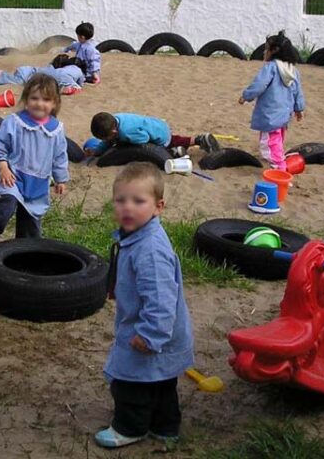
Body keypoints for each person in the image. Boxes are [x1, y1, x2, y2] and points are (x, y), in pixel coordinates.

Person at [95, 162, 194, 449]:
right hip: (162, 332)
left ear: (158, 206)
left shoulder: (149, 249)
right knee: (161, 381)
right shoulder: (136, 237)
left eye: (139, 201)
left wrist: (151, 335)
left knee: (129, 380)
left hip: (151, 331)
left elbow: (162, 299)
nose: (128, 208)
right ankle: (165, 427)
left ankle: (130, 427)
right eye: (121, 200)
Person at [0, 74, 70, 243]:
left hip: (38, 180)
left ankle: (26, 248)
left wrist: (60, 179)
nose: (39, 103)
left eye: (46, 99)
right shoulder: (15, 122)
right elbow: (0, 145)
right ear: (26, 99)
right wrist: (3, 167)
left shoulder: (56, 130)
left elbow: (59, 156)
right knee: (8, 201)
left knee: (31, 217)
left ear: (55, 103)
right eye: (34, 98)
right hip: (13, 174)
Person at [238, 31, 305, 171]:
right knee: (278, 139)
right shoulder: (293, 70)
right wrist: (299, 108)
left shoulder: (271, 68)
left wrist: (246, 96)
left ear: (274, 51)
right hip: (285, 114)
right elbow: (298, 91)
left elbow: (260, 84)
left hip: (270, 114)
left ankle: (280, 168)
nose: (264, 52)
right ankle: (278, 159)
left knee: (269, 143)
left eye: (266, 49)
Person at [88, 112, 218, 159]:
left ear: (114, 133)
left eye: (105, 138)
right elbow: (108, 143)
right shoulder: (114, 120)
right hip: (155, 124)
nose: (105, 141)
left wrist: (124, 144)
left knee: (164, 146)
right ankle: (198, 139)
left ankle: (175, 152)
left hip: (157, 135)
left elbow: (144, 139)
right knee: (175, 139)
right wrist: (97, 151)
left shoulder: (127, 132)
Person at [0, 54, 86, 94]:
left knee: (13, 80)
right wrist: (77, 87)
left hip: (26, 71)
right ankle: (0, 74)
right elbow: (78, 84)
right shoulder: (64, 74)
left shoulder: (53, 70)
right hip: (26, 74)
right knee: (15, 81)